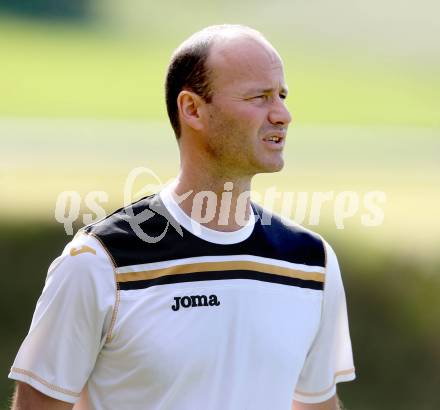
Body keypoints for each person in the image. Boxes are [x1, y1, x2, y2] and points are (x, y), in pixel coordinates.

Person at [9, 24, 355, 410]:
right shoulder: (99, 262)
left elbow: (317, 404)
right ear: (192, 109)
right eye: (259, 97)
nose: (283, 114)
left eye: (282, 95)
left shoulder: (312, 263)